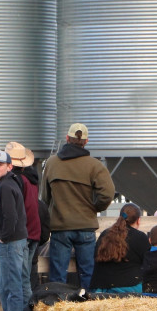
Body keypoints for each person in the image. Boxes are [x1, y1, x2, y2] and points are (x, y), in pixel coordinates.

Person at [43, 123, 115, 290]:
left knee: (58, 276)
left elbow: (44, 198)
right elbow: (107, 194)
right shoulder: (94, 165)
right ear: (86, 141)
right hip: (85, 227)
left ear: (67, 139)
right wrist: (94, 208)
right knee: (88, 273)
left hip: (60, 228)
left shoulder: (52, 163)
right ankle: (87, 310)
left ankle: (58, 310)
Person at [0, 150, 34, 311]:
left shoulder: (5, 187)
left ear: (9, 166)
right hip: (20, 240)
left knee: (9, 286)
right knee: (23, 286)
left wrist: (3, 238)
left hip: (11, 242)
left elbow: (10, 217)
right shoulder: (13, 183)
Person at [5, 141, 41, 307]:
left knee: (19, 280)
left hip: (22, 234)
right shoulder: (33, 180)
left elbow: (13, 210)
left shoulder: (17, 181)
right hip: (34, 231)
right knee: (27, 278)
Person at [89, 203, 150, 293]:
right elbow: (148, 264)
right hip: (130, 287)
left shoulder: (105, 234)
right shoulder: (140, 237)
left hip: (101, 288)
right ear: (138, 221)